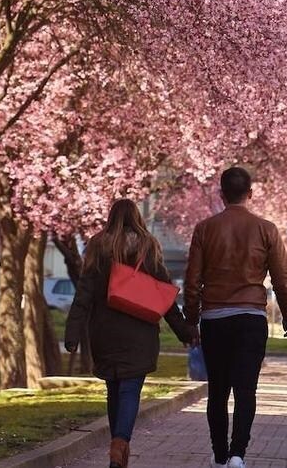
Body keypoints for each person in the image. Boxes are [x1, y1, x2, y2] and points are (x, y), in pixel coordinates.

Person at [65, 199, 192, 468]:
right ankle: (119, 445)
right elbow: (165, 296)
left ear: (111, 218)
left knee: (113, 389)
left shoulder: (98, 248)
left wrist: (72, 333)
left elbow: (83, 297)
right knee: (130, 391)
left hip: (104, 333)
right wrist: (184, 332)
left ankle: (117, 449)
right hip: (139, 335)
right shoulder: (148, 247)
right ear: (137, 218)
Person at [184, 167, 287, 468]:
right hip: (250, 317)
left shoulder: (205, 229)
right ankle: (237, 455)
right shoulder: (266, 229)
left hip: (215, 317)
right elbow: (281, 278)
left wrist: (191, 319)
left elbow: (192, 280)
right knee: (246, 390)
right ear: (250, 193)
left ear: (221, 194)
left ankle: (219, 455)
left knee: (217, 390)